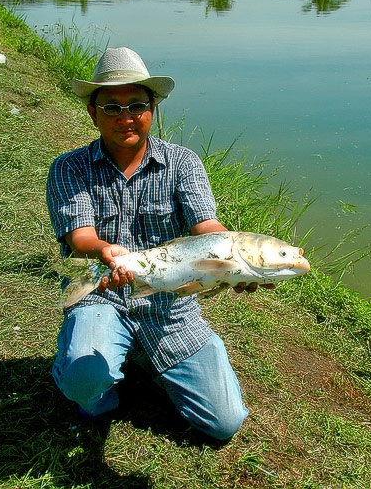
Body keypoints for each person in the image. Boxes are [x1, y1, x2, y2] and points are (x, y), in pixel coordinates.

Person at [46, 47, 269, 441]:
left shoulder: (184, 162)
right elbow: (80, 237)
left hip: (170, 306)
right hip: (101, 291)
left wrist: (236, 259)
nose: (125, 117)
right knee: (84, 382)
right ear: (92, 113)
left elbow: (207, 225)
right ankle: (96, 384)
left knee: (224, 424)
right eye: (111, 107)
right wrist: (103, 252)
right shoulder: (69, 167)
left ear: (154, 109)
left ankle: (139, 358)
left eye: (136, 105)